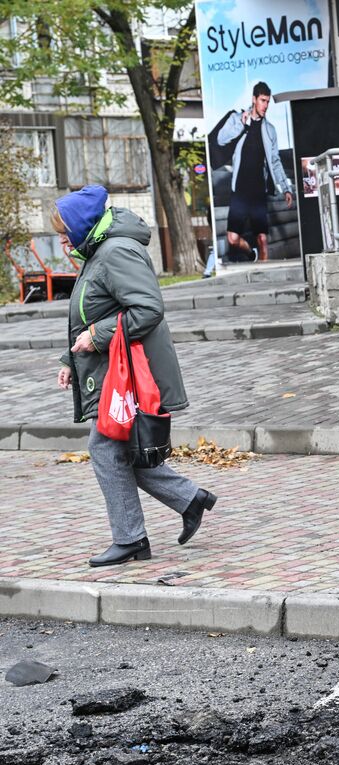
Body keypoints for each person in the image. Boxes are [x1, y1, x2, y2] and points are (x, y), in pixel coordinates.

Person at [54, 185, 218, 567]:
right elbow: (89, 312)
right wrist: (69, 357)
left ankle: (131, 539)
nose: (61, 239)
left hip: (127, 374)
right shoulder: (98, 254)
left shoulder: (116, 252)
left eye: (64, 230)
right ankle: (190, 499)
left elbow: (147, 309)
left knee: (105, 449)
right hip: (112, 371)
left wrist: (95, 336)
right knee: (126, 450)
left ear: (82, 225)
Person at [215, 81, 294, 262]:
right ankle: (251, 254)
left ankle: (266, 279)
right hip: (240, 191)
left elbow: (275, 161)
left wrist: (286, 187)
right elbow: (221, 139)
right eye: (262, 101)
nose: (265, 106)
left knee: (262, 239)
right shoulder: (237, 119)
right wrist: (240, 126)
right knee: (232, 239)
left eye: (267, 102)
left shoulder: (270, 130)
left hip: (259, 191)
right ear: (254, 99)